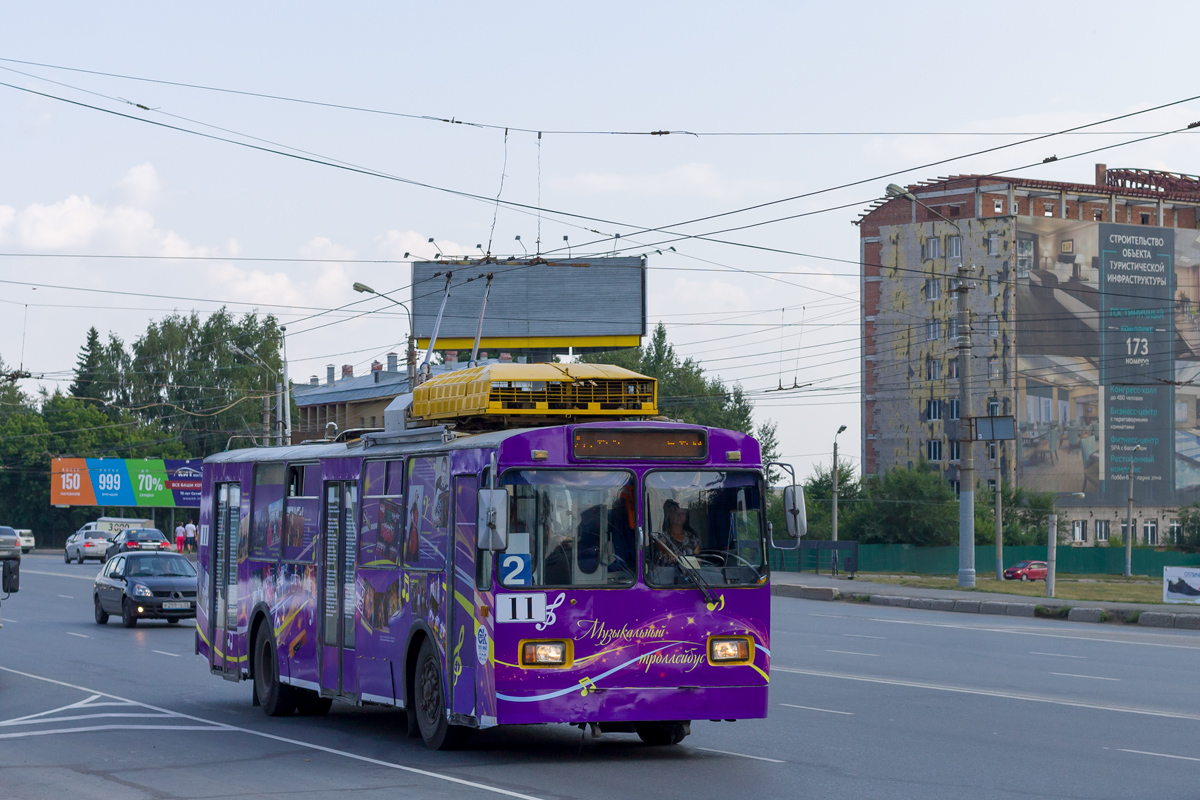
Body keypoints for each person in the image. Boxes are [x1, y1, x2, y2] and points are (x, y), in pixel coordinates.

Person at [653, 499, 700, 566]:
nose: (679, 515)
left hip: (690, 576)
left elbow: (698, 562)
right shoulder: (661, 537)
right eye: (676, 512)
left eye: (683, 512)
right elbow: (663, 549)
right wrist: (671, 555)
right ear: (669, 515)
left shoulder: (693, 539)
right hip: (664, 575)